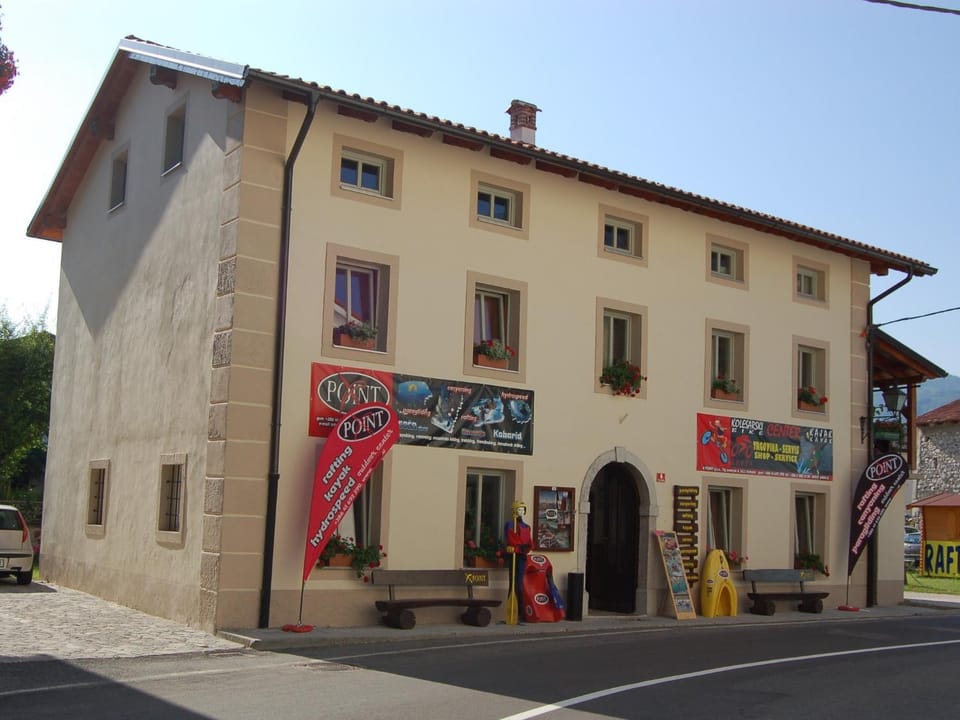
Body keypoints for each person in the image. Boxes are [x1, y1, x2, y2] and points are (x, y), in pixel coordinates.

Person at [504, 499, 533, 608]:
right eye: (519, 509)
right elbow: (511, 538)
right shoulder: (510, 524)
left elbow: (530, 542)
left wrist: (527, 546)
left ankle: (520, 610)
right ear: (515, 511)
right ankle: (512, 608)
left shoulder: (526, 526)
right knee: (513, 583)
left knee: (520, 583)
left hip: (522, 556)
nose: (521, 511)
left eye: (522, 509)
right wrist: (519, 545)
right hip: (514, 556)